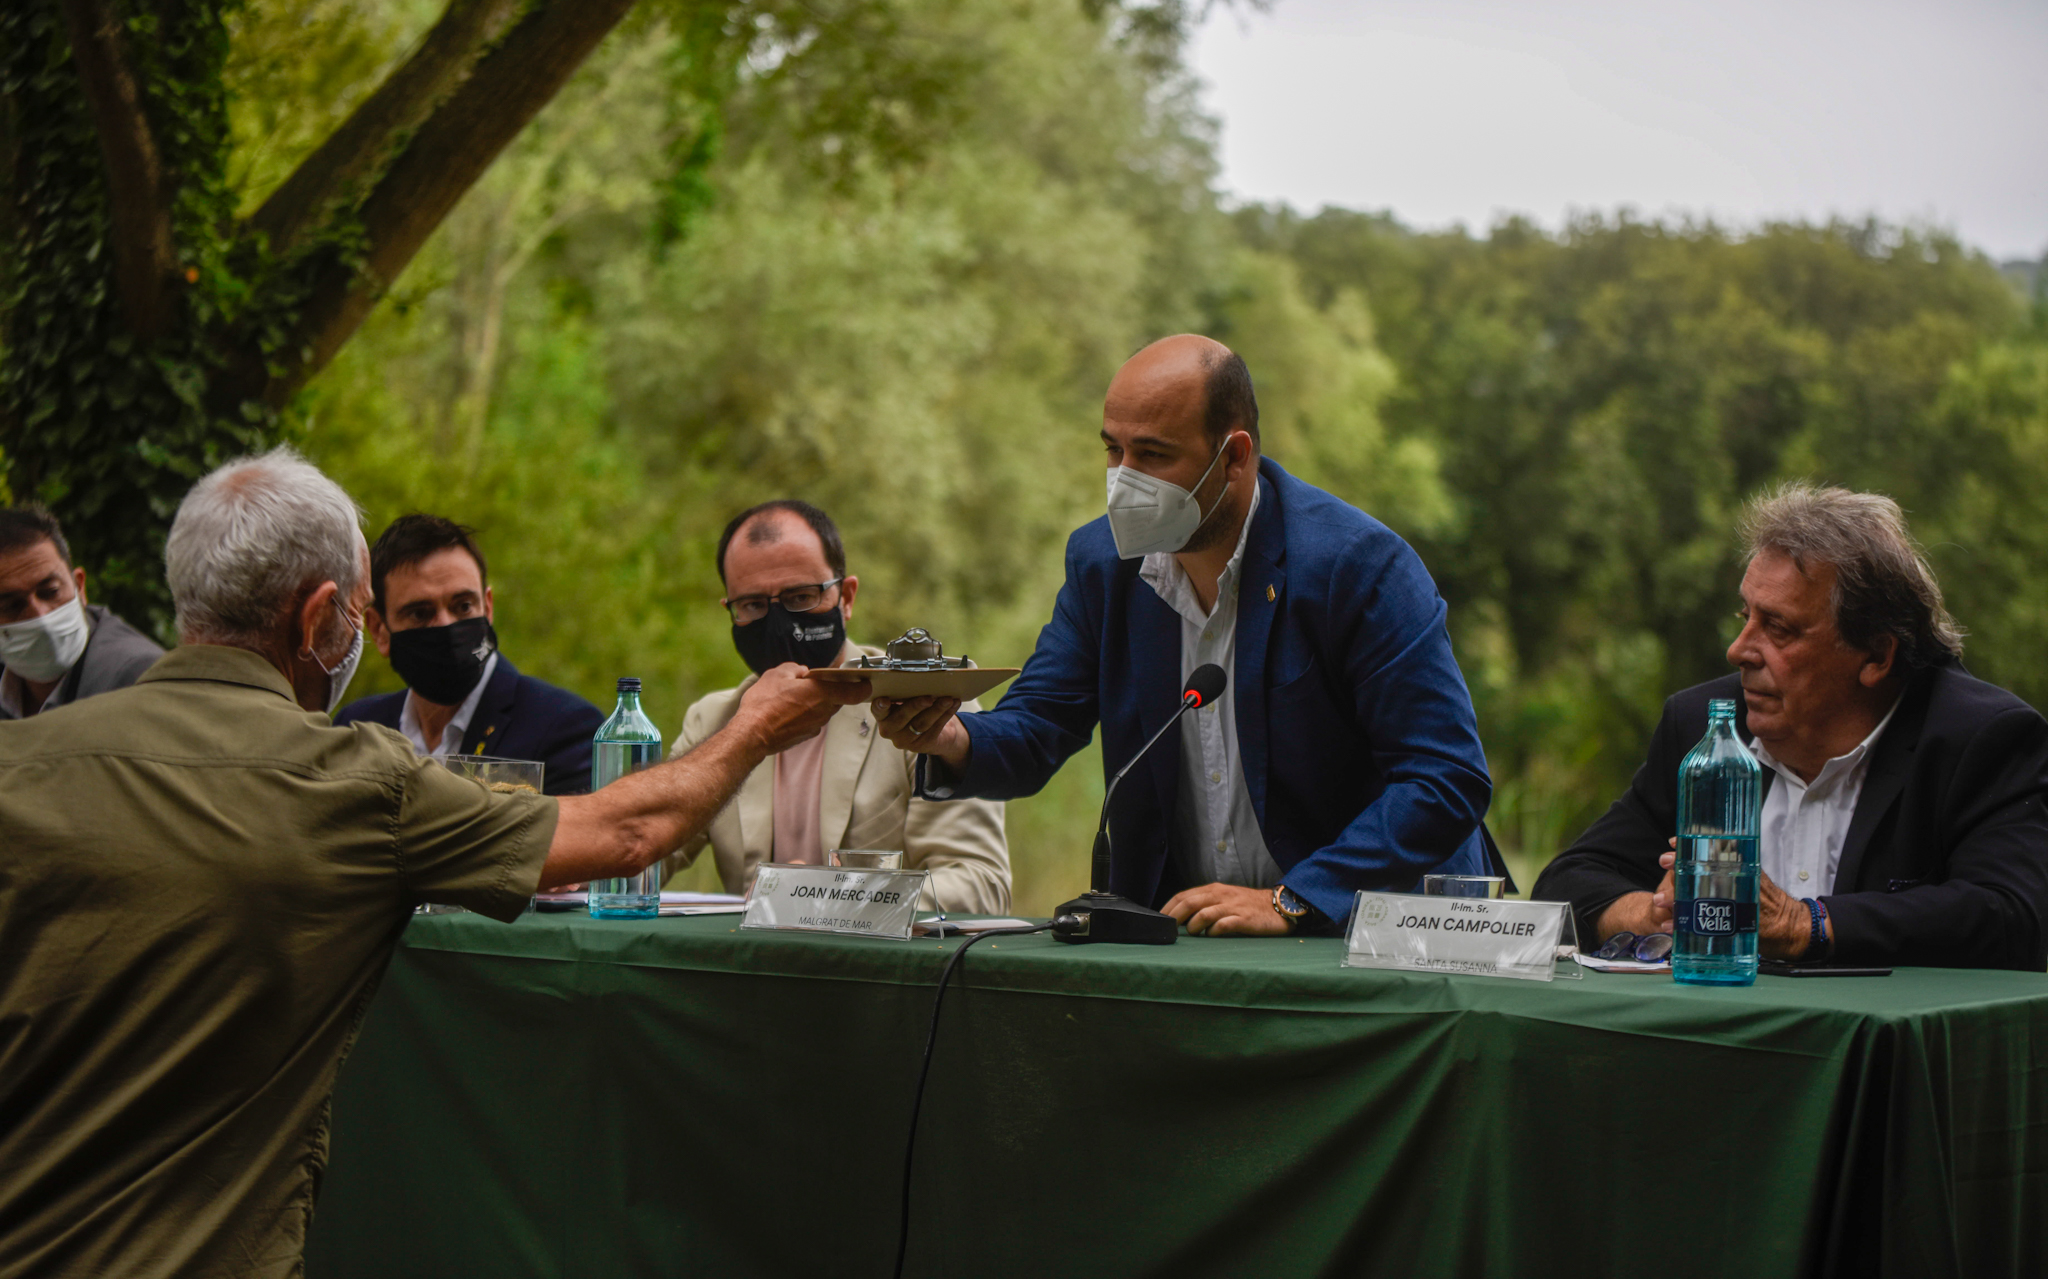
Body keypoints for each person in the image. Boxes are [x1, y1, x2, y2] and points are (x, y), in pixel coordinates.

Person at [0, 447, 862, 1278]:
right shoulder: (351, 783)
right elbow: (628, 835)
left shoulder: (22, 763)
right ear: (323, 617)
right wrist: (755, 725)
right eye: (371, 611)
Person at [874, 334, 1504, 935]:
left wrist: (1295, 899)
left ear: (1234, 456)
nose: (1123, 481)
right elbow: (1038, 725)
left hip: (1378, 939)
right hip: (1190, 939)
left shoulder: (1358, 565)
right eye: (1112, 451)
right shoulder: (1102, 565)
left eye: (1152, 455)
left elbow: (1444, 777)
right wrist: (950, 737)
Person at [1534, 484, 2048, 970]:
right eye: (1745, 616)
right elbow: (1566, 883)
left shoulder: (1981, 737)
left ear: (1875, 655)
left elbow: (2012, 913)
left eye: (1778, 628)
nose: (1738, 650)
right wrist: (1658, 912)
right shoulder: (1704, 726)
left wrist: (1805, 924)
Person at [663, 500, 1011, 913]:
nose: (778, 624)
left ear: (846, 597)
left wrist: (826, 898)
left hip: (881, 973)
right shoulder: (712, 720)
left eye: (801, 597)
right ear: (730, 609)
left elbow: (981, 886)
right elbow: (642, 845)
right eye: (753, 605)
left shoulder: (929, 706)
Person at [335, 514, 603, 794]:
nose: (446, 626)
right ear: (379, 630)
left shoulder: (565, 728)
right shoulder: (357, 731)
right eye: (419, 613)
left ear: (487, 609)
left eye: (463, 606)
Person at [0, 504, 163, 719]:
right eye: (13, 606)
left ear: (79, 586)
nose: (40, 615)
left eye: (50, 592)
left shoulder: (140, 679)